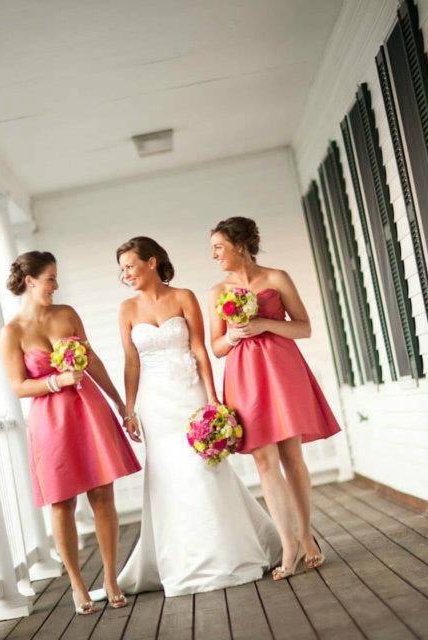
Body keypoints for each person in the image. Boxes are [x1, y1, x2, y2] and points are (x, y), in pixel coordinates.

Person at [113, 237, 280, 597]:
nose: (125, 274)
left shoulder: (183, 297)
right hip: (154, 405)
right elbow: (131, 362)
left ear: (152, 262)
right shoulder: (127, 309)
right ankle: (184, 562)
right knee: (170, 478)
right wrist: (129, 409)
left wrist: (212, 399)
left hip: (190, 396)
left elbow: (199, 350)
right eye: (122, 269)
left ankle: (229, 554)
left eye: (130, 265)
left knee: (205, 470)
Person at [0, 251, 141, 614]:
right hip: (50, 421)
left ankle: (110, 578)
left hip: (87, 409)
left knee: (102, 493)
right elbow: (18, 386)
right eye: (50, 278)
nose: (55, 285)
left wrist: (122, 404)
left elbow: (91, 361)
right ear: (30, 281)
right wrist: (55, 380)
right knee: (61, 502)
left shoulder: (67, 314)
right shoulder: (12, 332)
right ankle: (78, 586)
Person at [208, 217, 341, 579]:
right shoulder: (218, 291)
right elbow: (216, 347)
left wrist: (265, 324)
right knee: (264, 461)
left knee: (291, 455)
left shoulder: (277, 278)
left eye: (219, 247)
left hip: (282, 370)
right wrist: (234, 335)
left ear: (239, 245)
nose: (215, 254)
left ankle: (306, 534)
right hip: (244, 377)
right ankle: (288, 545)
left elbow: (304, 327)